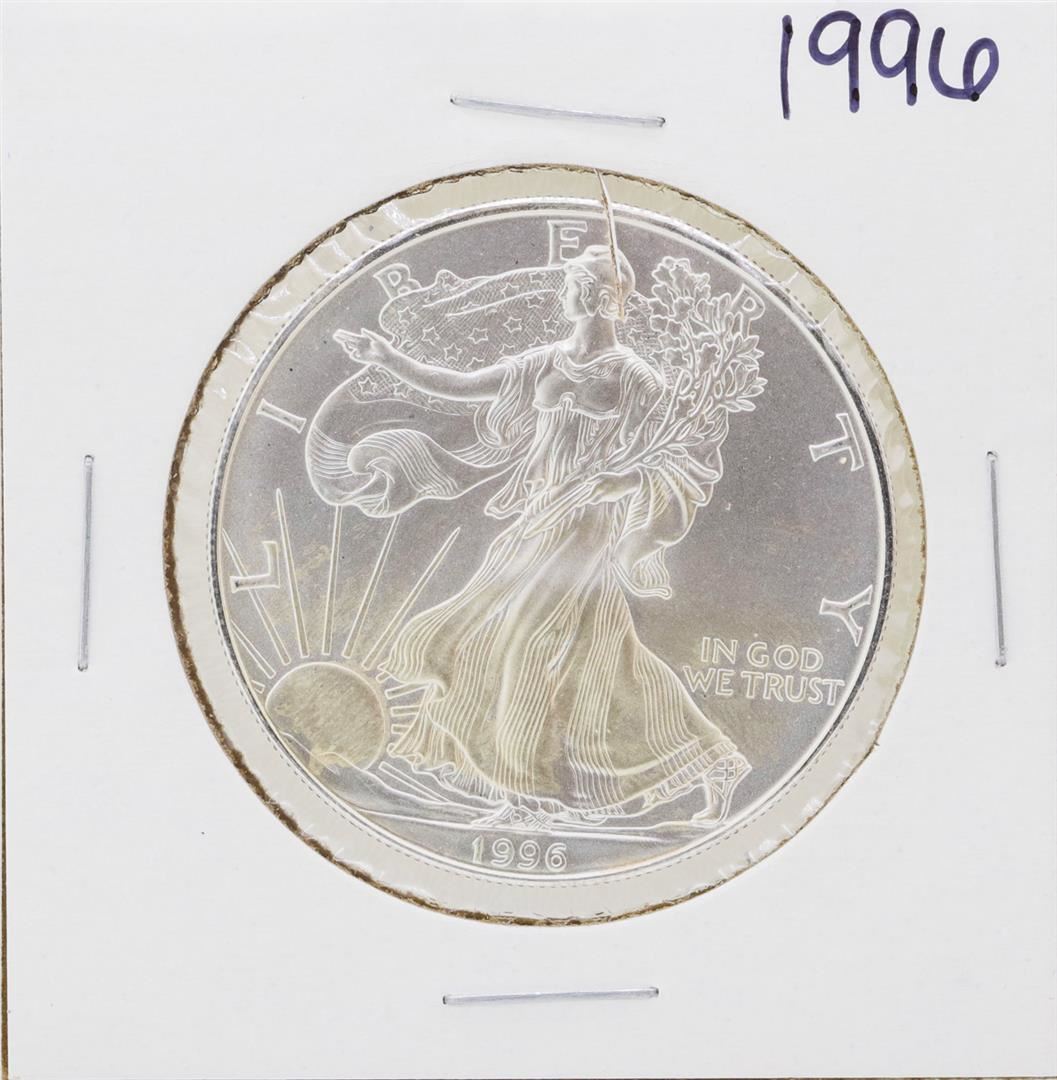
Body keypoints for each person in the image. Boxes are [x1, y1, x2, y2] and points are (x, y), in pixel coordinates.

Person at [327, 246, 749, 826]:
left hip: (587, 527)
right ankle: (710, 761)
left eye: (573, 285)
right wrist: (389, 358)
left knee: (523, 641)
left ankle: (527, 795)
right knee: (597, 658)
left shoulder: (634, 377)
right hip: (538, 517)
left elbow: (683, 455)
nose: (563, 294)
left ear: (596, 297)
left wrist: (624, 480)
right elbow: (462, 384)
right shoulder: (544, 361)